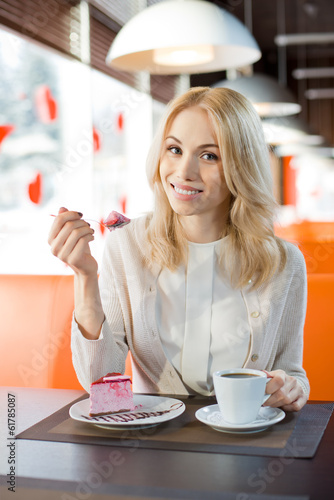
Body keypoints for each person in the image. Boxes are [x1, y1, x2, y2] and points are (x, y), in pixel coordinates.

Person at [48, 86, 309, 412]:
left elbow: (293, 373)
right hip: (154, 447)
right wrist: (85, 277)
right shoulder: (127, 245)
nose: (184, 172)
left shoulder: (284, 263)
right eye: (174, 149)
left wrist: (293, 388)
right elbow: (98, 380)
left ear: (240, 167)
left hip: (246, 443)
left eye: (209, 155)